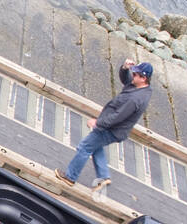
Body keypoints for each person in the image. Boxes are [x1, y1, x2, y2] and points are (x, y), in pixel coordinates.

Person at [56, 60, 153, 192]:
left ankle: (70, 177)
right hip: (114, 130)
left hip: (110, 129)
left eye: (135, 74)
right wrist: (125, 68)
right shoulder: (141, 89)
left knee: (85, 147)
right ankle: (103, 177)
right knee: (95, 147)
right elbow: (126, 80)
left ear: (143, 78)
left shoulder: (135, 99)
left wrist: (98, 123)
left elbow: (118, 117)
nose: (133, 75)